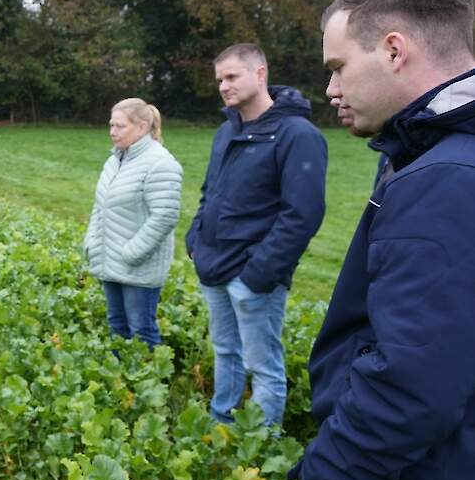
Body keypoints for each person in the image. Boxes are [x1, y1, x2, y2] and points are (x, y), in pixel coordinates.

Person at [293, 0, 475, 480]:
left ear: (394, 50)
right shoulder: (433, 157)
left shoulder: (443, 179)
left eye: (338, 66)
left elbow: (411, 386)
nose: (330, 89)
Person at [185, 43, 327, 426]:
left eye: (232, 76)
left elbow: (303, 214)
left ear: (260, 74)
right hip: (213, 266)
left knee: (263, 366)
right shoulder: (225, 132)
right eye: (219, 80)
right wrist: (194, 241)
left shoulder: (297, 134)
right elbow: (208, 192)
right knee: (225, 351)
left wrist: (258, 274)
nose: (223, 87)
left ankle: (260, 450)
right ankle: (222, 422)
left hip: (253, 277)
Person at [83, 98, 182, 350]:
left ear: (141, 127)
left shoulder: (160, 164)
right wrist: (92, 242)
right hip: (110, 260)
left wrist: (131, 253)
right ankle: (120, 384)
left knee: (141, 332)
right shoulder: (115, 160)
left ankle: (145, 385)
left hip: (138, 267)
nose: (112, 132)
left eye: (119, 126)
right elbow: (100, 206)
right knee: (117, 326)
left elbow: (164, 216)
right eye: (111, 125)